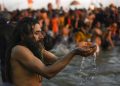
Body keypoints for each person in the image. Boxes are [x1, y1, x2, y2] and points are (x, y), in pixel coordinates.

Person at [4, 17, 96, 86]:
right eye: (36, 33)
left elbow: (58, 61)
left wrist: (77, 48)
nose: (42, 36)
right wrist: (74, 52)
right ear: (23, 36)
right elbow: (48, 72)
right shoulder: (19, 50)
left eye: (40, 32)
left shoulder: (37, 49)